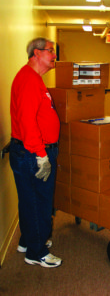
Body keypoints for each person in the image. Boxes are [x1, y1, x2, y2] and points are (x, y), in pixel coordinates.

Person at [9, 37, 62, 268]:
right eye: (51, 51)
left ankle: (27, 240)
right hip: (33, 153)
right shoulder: (29, 80)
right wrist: (41, 155)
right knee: (39, 202)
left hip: (30, 151)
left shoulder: (33, 78)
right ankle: (36, 252)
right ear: (36, 54)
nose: (54, 55)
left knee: (29, 200)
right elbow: (28, 123)